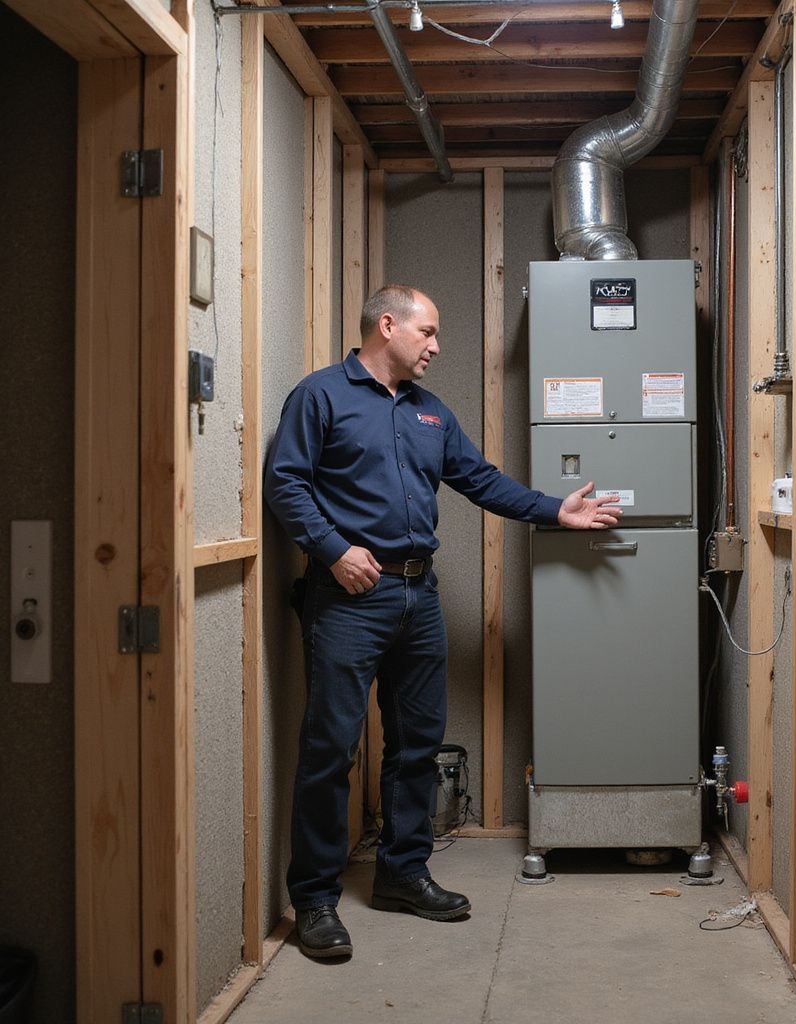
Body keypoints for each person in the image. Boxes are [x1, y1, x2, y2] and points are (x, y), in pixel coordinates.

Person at [264, 284, 621, 959]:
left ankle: (402, 873)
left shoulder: (430, 414)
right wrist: (334, 551)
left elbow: (480, 480)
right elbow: (286, 482)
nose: (435, 347)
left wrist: (554, 511)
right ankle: (313, 899)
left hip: (416, 597)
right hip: (347, 599)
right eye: (427, 333)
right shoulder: (321, 395)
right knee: (330, 751)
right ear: (387, 325)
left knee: (417, 744)